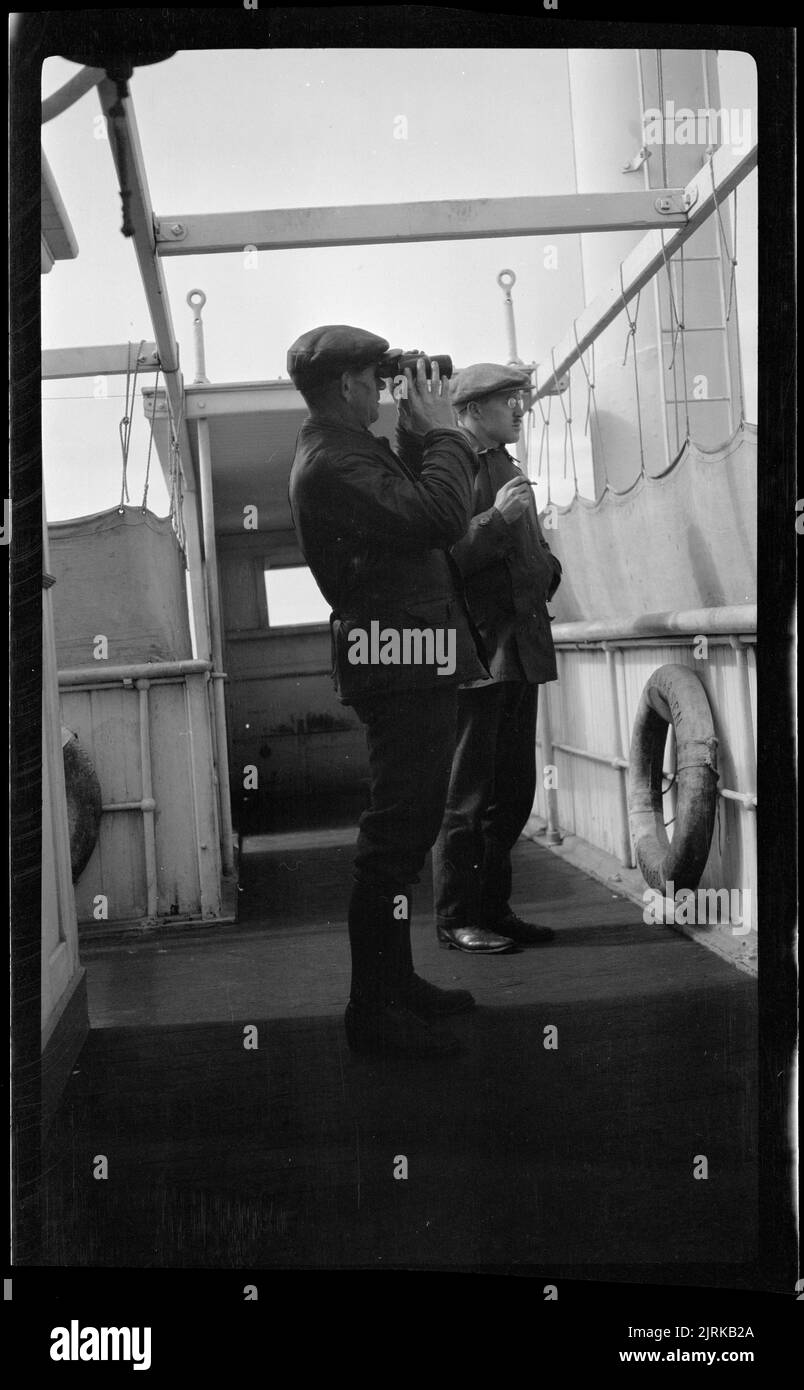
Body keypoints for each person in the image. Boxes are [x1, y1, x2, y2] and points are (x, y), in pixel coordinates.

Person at [286, 325, 488, 1057]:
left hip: (408, 654)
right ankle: (371, 1010)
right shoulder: (331, 462)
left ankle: (395, 985)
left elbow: (412, 514)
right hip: (398, 660)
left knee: (407, 829)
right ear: (346, 386)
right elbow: (439, 518)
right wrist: (445, 437)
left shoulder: (348, 451)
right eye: (375, 378)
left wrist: (413, 436)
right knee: (394, 836)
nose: (382, 388)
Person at [429, 363, 564, 952]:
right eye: (508, 400)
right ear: (473, 411)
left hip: (522, 651)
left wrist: (548, 568)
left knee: (512, 793)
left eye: (519, 398)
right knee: (468, 796)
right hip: (479, 657)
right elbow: (440, 561)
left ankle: (493, 909)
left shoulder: (506, 466)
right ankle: (457, 917)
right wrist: (496, 520)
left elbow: (529, 554)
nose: (519, 408)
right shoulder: (449, 470)